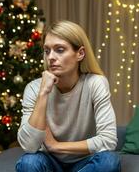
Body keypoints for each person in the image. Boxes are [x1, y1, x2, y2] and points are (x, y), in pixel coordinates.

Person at [16, 20, 120, 172]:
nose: (50, 57)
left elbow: (109, 140)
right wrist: (44, 93)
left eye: (59, 50)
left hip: (84, 161)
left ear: (80, 53)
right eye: (47, 50)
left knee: (109, 161)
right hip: (49, 162)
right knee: (29, 163)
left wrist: (55, 146)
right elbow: (29, 146)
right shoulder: (34, 88)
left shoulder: (95, 83)